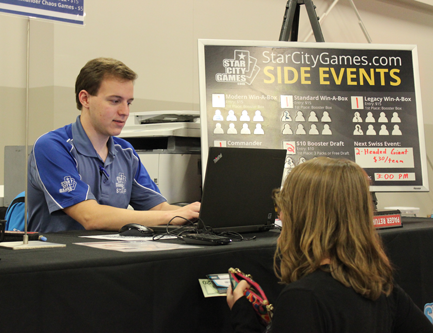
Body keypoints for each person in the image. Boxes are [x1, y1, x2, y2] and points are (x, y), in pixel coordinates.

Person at [227, 157, 433, 333]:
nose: (280, 215)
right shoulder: (382, 288)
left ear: (304, 217)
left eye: (284, 207)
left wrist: (244, 318)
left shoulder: (304, 298)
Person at [27, 57, 200, 233]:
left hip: (111, 255)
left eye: (129, 102)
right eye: (115, 101)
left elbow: (157, 208)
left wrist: (199, 213)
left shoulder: (125, 151)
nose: (125, 112)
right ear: (85, 99)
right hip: (61, 257)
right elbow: (90, 216)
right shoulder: (52, 146)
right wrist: (172, 217)